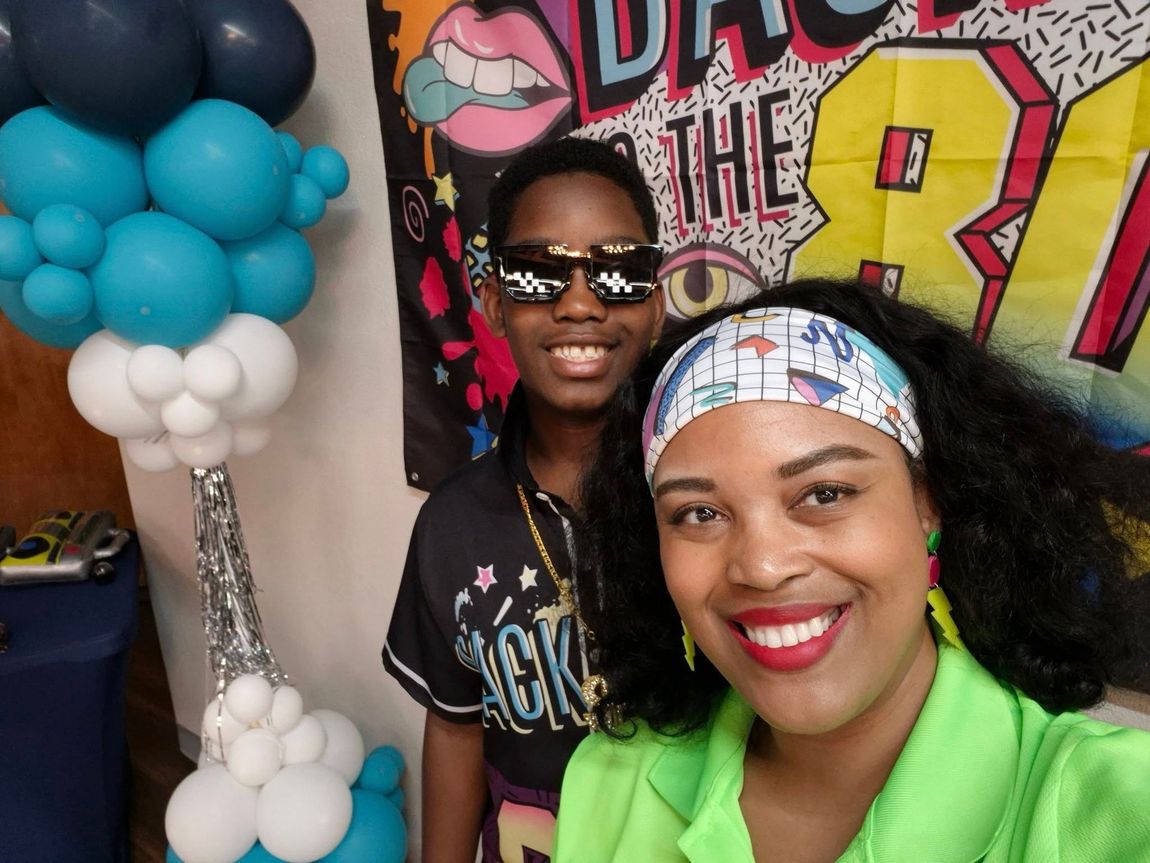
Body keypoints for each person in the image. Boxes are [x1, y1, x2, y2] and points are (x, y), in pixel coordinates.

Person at [555, 278, 1150, 862]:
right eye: (699, 512)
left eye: (825, 493)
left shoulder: (1119, 804)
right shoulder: (610, 777)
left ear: (927, 502)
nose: (762, 567)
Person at [382, 136, 665, 862]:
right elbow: (454, 724)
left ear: (655, 306)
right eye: (539, 273)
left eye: (619, 271)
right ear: (494, 303)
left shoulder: (709, 500)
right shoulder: (451, 525)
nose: (579, 302)